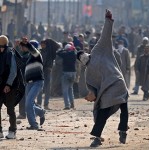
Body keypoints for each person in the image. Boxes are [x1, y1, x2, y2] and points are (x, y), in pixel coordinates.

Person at [77, 9, 129, 147]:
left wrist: (108, 20)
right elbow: (92, 89)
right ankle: (116, 132)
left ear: (86, 53)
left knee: (111, 109)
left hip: (116, 83)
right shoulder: (87, 72)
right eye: (80, 58)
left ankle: (104, 135)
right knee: (109, 108)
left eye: (82, 55)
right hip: (112, 88)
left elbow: (105, 35)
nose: (82, 58)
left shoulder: (98, 50)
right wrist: (91, 95)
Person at [20, 39, 45, 130]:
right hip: (29, 83)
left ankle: (34, 125)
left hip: (37, 82)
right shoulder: (29, 57)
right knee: (29, 103)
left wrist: (28, 44)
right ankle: (41, 112)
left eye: (25, 47)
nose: (23, 48)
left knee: (28, 103)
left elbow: (33, 50)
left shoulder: (37, 55)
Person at [0, 35, 18, 139]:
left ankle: (12, 130)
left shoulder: (10, 54)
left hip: (10, 86)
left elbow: (13, 71)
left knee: (10, 109)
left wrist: (8, 84)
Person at [56, 43, 77, 110]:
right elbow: (75, 51)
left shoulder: (64, 54)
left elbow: (58, 52)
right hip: (73, 73)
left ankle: (67, 105)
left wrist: (63, 49)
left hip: (66, 73)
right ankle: (72, 103)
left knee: (65, 90)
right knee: (71, 89)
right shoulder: (74, 54)